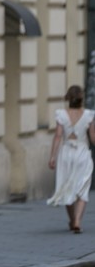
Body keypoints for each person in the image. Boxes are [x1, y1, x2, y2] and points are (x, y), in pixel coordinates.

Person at [47, 85, 95, 233]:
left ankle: (72, 219)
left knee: (67, 186)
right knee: (83, 188)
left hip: (66, 153)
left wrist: (52, 156)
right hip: (82, 153)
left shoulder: (61, 114)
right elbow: (93, 137)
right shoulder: (88, 115)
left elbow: (58, 136)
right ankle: (77, 221)